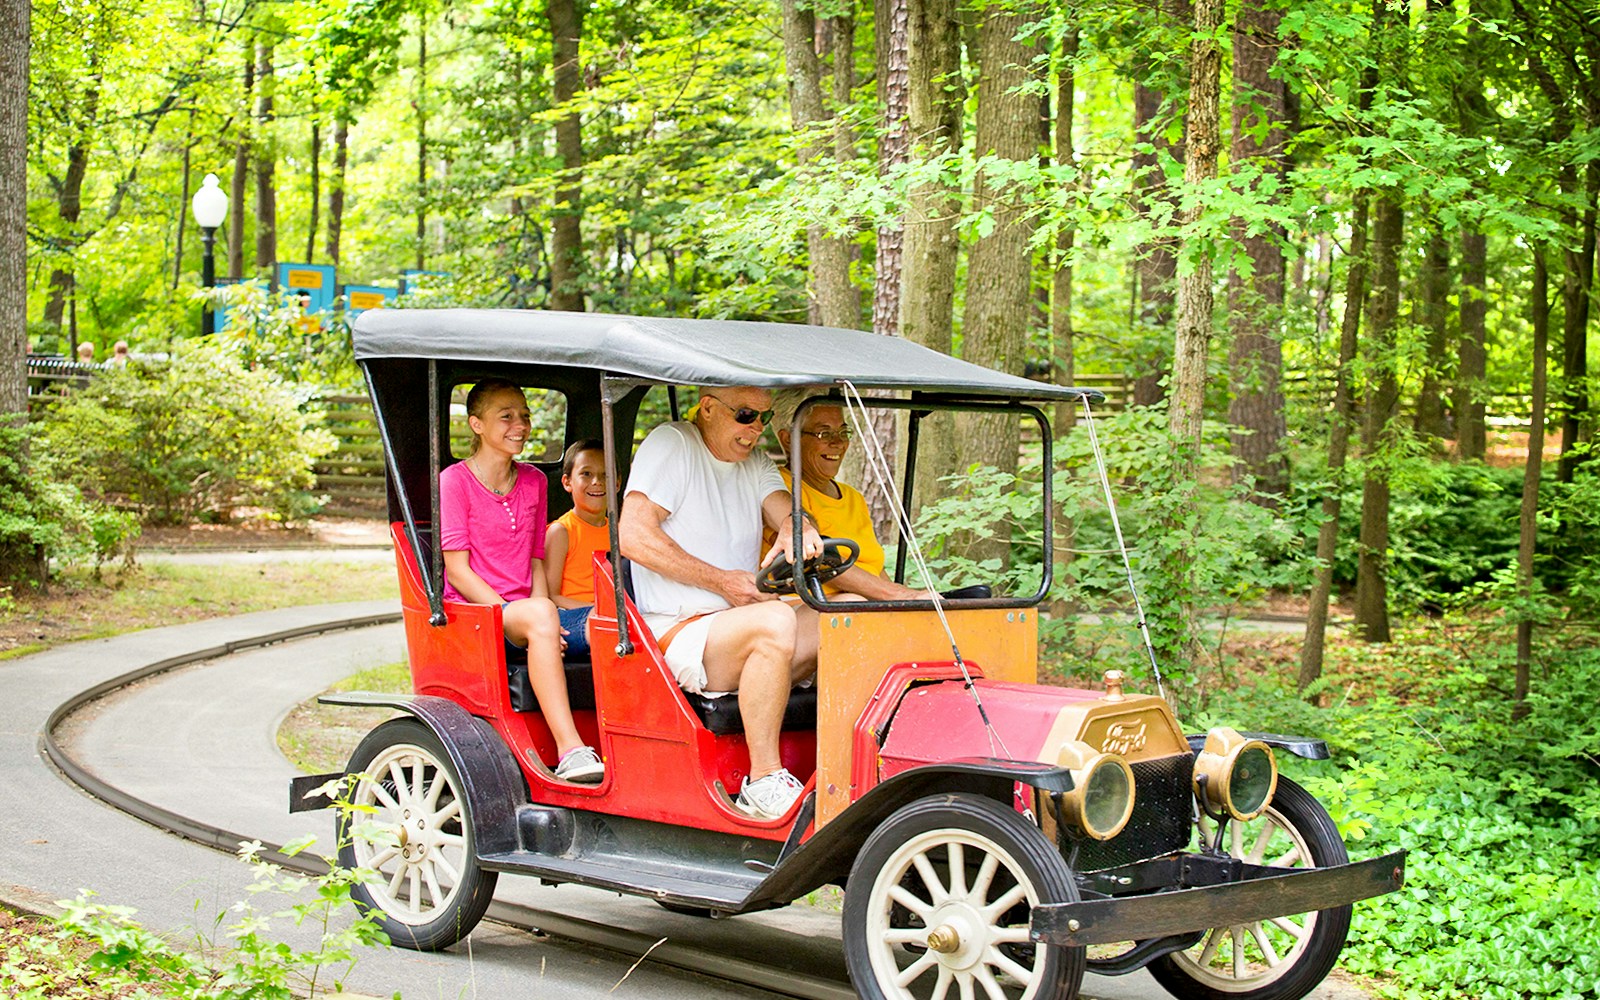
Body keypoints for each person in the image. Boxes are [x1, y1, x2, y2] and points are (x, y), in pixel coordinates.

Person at [618, 385, 822, 820]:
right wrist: (721, 582)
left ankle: (846, 762)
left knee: (846, 614)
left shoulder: (756, 461)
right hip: (675, 632)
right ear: (708, 407)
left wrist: (794, 527)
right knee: (773, 622)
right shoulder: (673, 444)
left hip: (737, 623)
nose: (756, 430)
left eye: (765, 419)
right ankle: (764, 778)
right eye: (746, 415)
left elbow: (788, 508)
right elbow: (632, 535)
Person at [439, 379, 604, 784]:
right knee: (539, 615)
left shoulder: (533, 482)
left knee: (615, 620)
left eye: (525, 416)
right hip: (477, 611)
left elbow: (534, 562)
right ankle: (570, 750)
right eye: (507, 416)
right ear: (476, 424)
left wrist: (547, 618)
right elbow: (458, 571)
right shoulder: (454, 481)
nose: (520, 425)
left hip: (531, 613)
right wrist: (516, 615)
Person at [766, 390, 928, 601]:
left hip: (863, 608)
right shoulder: (778, 489)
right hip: (813, 607)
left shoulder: (853, 498)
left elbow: (874, 568)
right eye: (824, 434)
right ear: (788, 439)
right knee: (854, 602)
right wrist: (897, 595)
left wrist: (906, 599)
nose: (838, 443)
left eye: (843, 433)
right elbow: (823, 561)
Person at [543, 439, 609, 657]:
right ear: (567, 482)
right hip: (571, 617)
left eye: (605, 474)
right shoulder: (561, 531)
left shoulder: (619, 532)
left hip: (610, 615)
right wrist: (596, 609)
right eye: (586, 474)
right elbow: (551, 595)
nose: (597, 481)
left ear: (617, 482)